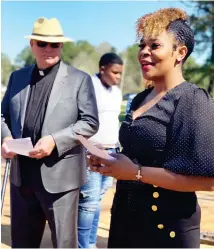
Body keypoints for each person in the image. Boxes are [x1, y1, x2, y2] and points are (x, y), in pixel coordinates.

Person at [88, 8, 214, 248]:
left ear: (180, 52)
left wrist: (135, 172)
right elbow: (139, 154)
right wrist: (109, 160)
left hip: (166, 229)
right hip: (126, 219)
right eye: (141, 46)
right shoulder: (140, 99)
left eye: (154, 46)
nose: (144, 52)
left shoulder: (192, 99)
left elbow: (206, 181)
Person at [1, 17, 99, 248]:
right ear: (32, 45)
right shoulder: (18, 77)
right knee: (22, 243)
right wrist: (5, 137)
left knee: (64, 244)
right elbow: (2, 116)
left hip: (61, 180)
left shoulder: (79, 80)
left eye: (54, 44)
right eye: (42, 43)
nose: (48, 49)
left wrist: (55, 140)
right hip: (22, 179)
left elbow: (90, 122)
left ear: (62, 46)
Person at [78, 53, 123, 248]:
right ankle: (82, 246)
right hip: (92, 154)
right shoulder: (88, 87)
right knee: (88, 204)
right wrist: (87, 146)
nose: (118, 77)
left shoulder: (116, 92)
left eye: (120, 74)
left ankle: (91, 243)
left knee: (97, 202)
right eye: (115, 72)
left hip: (111, 152)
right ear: (102, 68)